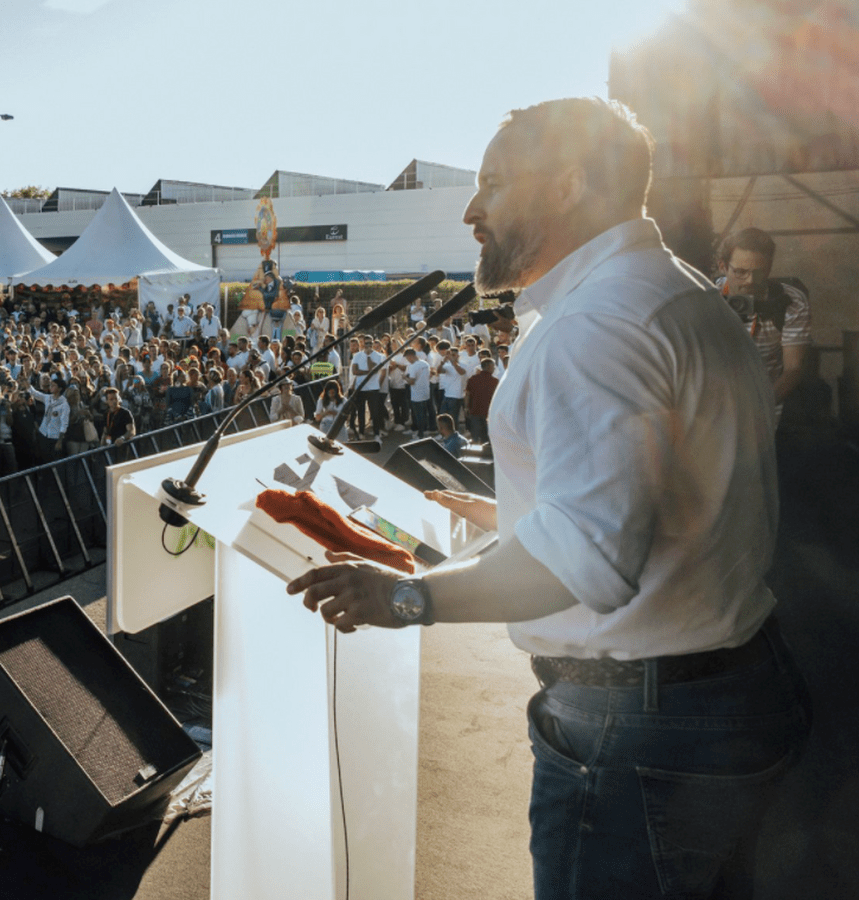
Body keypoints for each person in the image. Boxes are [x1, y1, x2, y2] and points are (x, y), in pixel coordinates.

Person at [285, 97, 807, 900]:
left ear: (567, 185)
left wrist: (406, 598)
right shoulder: (673, 290)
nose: (469, 209)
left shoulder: (595, 324)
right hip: (724, 695)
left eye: (491, 182)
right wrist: (517, 518)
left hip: (639, 733)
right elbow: (677, 492)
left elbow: (588, 559)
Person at [716, 226, 812, 424]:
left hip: (766, 408)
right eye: (740, 272)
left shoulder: (790, 301)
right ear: (722, 267)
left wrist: (757, 409)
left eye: (759, 273)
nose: (750, 281)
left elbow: (793, 369)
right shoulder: (704, 298)